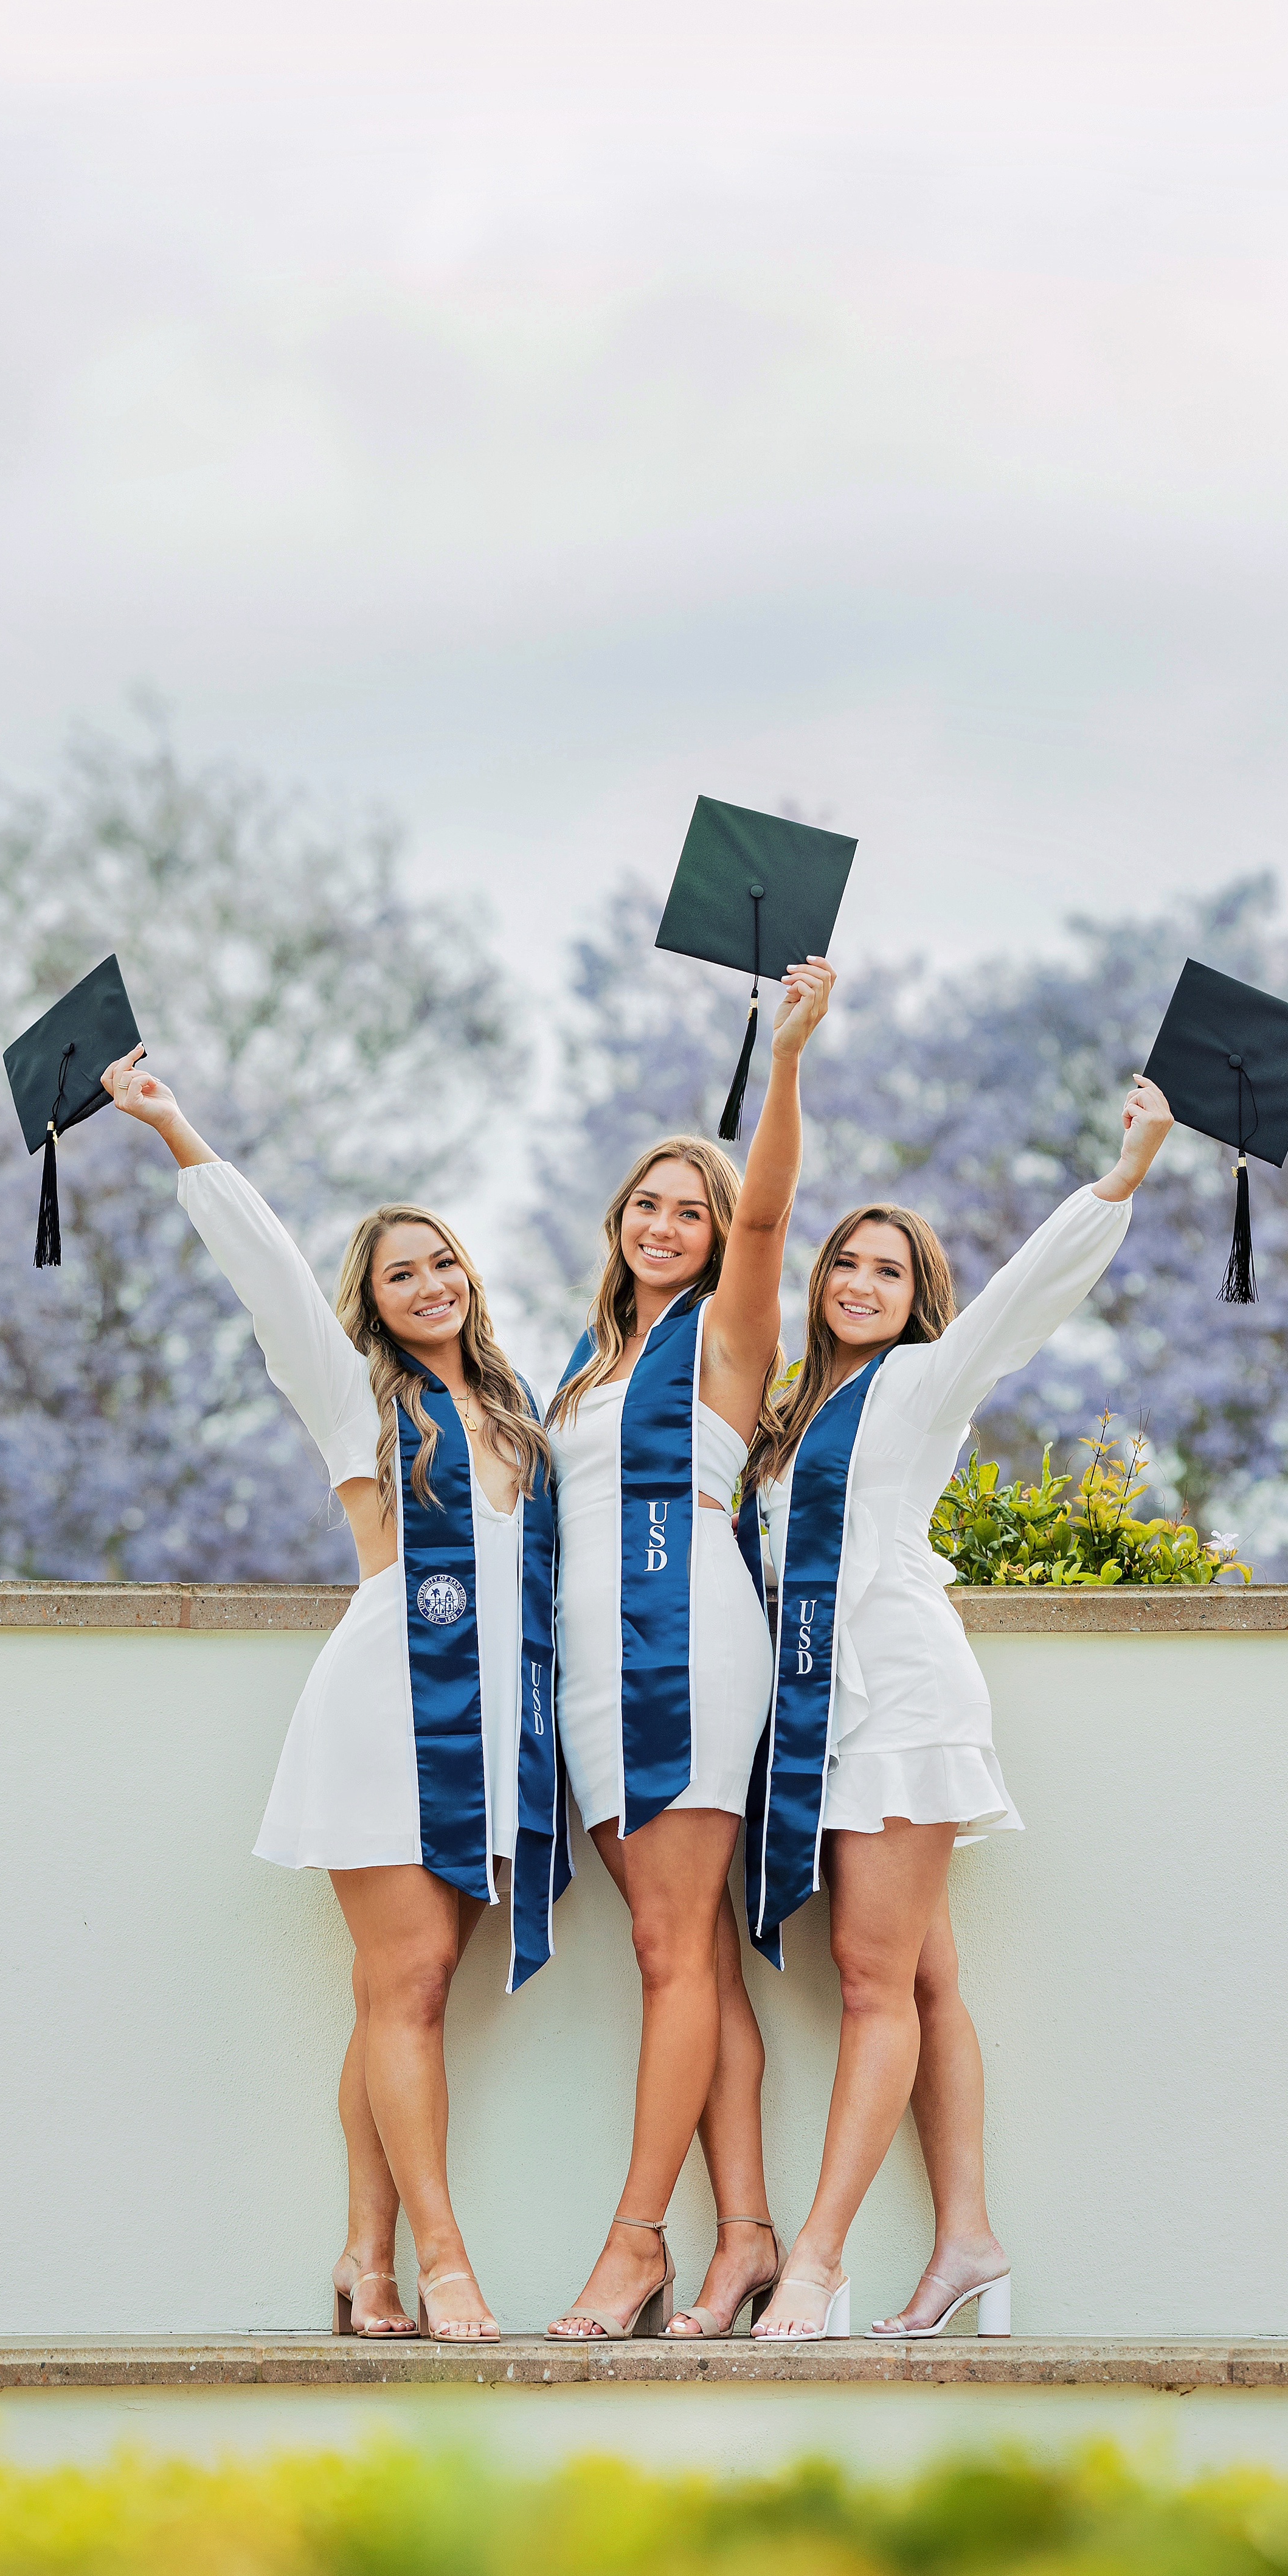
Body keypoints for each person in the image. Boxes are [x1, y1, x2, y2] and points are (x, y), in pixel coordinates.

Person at [102, 1045, 566, 2347]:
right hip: (386, 1718)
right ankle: (445, 2261)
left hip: (493, 1732)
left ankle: (366, 2260)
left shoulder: (520, 1415)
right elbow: (269, 1276)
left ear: (471, 1277)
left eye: (443, 1261)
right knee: (408, 1988)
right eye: (400, 1272)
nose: (430, 1283)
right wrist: (176, 1129)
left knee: (402, 1996)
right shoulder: (355, 1392)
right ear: (372, 1301)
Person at [743, 1075, 1175, 2340]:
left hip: (901, 1705)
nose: (860, 1282)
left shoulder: (927, 1382)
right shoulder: (789, 1417)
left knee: (871, 1981)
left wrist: (1121, 1178)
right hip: (822, 1719)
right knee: (925, 1982)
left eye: (889, 1270)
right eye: (846, 1262)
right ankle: (970, 2243)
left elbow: (1026, 1299)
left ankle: (817, 2263)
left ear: (918, 1295)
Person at [544, 959, 836, 2341]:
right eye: (647, 1204)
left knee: (670, 1954)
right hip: (591, 1671)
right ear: (618, 1222)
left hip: (686, 1654)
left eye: (691, 1210)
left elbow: (771, 1208)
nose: (666, 1224)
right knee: (694, 1958)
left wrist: (786, 1060)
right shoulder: (589, 1363)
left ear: (719, 1236)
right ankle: (747, 2238)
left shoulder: (727, 1336)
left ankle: (635, 2244)